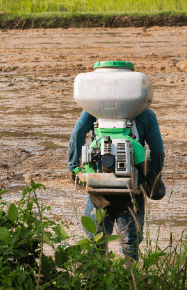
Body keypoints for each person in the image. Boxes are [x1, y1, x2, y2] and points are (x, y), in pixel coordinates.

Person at [68, 108, 165, 261]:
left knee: (96, 240)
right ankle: (129, 280)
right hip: (131, 190)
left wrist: (74, 167)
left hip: (99, 189)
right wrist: (153, 182)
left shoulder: (94, 107)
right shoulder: (146, 114)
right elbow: (157, 151)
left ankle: (95, 279)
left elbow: (78, 132)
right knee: (130, 244)